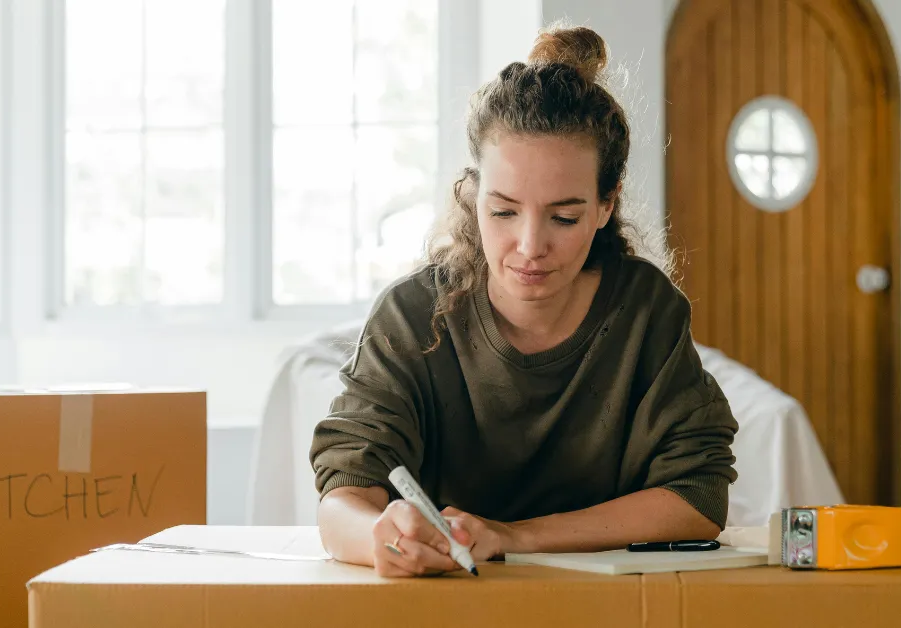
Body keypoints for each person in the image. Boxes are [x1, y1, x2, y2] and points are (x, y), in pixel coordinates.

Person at [310, 24, 738, 578]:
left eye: (564, 217)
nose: (530, 247)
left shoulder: (645, 310)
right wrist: (380, 538)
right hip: (444, 604)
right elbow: (343, 493)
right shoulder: (412, 316)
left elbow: (699, 497)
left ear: (606, 206)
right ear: (472, 195)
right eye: (504, 211)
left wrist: (513, 537)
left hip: (601, 608)